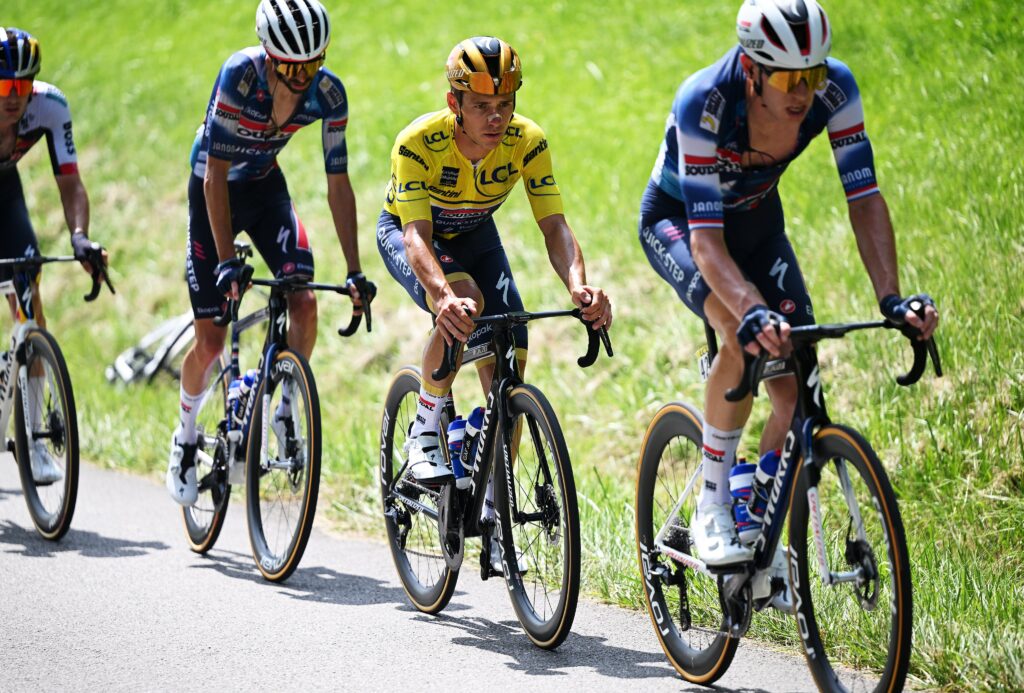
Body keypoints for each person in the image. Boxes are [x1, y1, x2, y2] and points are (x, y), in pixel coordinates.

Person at [638, 0, 938, 580]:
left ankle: (759, 508)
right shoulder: (705, 101)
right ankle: (713, 503)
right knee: (740, 334)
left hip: (757, 224)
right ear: (752, 70)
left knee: (796, 378)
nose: (803, 91)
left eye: (813, 74)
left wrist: (892, 299)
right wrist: (750, 309)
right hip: (680, 223)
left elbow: (864, 197)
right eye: (787, 79)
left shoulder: (834, 90)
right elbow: (706, 244)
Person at [377, 36, 612, 564]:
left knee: (512, 350)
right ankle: (425, 427)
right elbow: (415, 236)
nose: (497, 116)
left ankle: (493, 511)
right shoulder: (418, 142)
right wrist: (442, 296)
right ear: (454, 102)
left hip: (475, 234)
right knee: (464, 302)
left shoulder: (527, 141)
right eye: (482, 105)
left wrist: (578, 286)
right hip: (411, 233)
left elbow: (555, 226)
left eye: (505, 103)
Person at [167, 0, 365, 505]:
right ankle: (185, 436)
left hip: (264, 188)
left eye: (312, 64)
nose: (302, 78)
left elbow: (338, 184)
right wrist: (225, 260)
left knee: (305, 300)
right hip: (213, 190)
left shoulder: (329, 93)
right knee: (211, 341)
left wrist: (354, 270)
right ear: (270, 56)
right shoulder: (239, 75)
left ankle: (286, 405)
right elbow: (214, 174)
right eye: (291, 67)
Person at [0, 27, 109, 484]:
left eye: (23, 85)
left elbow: (70, 181)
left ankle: (34, 440)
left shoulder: (49, 106)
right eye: (6, 86)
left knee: (30, 301)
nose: (15, 96)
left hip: (4, 192)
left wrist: (80, 237)